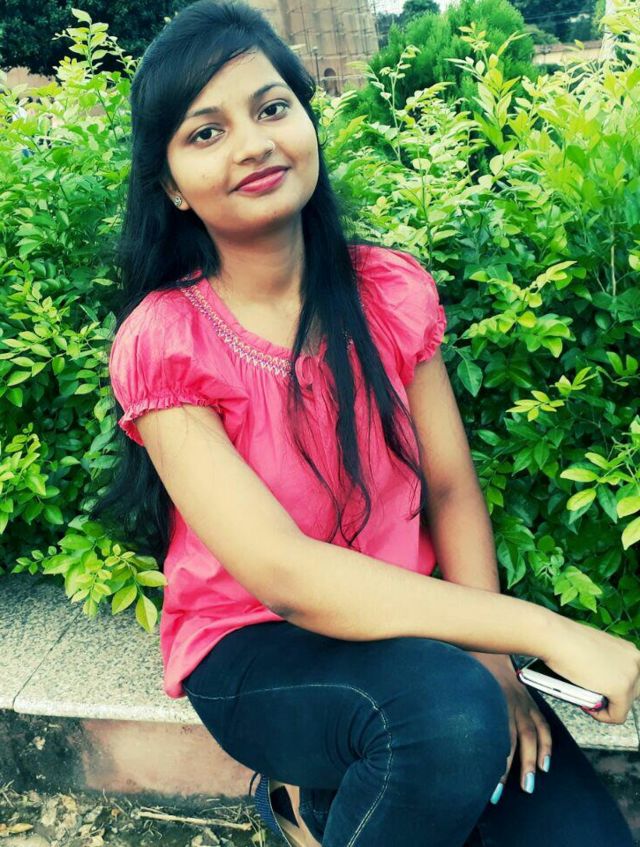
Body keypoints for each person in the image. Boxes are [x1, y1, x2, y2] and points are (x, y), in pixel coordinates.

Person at [101, 1, 639, 844]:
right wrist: (540, 631)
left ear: (307, 121)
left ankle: (339, 798)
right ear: (170, 185)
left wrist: (496, 663)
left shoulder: (388, 291)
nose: (253, 143)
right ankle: (307, 797)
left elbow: (449, 488)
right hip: (256, 646)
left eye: (272, 107)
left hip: (413, 635)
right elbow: (283, 572)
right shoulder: (165, 341)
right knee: (447, 716)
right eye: (205, 133)